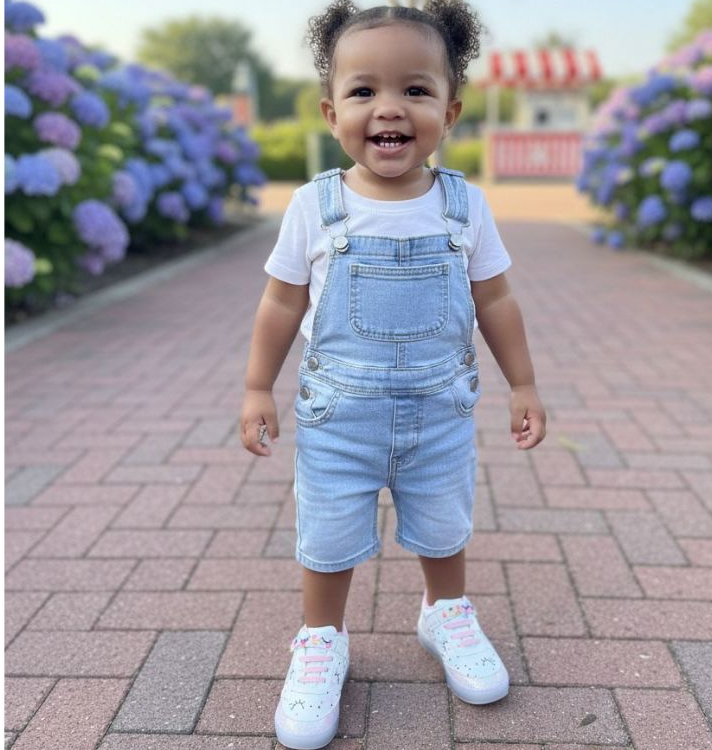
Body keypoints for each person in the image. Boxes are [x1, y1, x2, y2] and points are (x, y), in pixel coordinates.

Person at [239, 0, 546, 747]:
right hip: (337, 419)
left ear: (451, 110)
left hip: (439, 415)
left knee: (443, 524)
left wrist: (523, 384)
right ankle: (322, 638)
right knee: (328, 533)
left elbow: (495, 299)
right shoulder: (315, 207)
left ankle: (446, 613)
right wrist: (257, 386)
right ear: (330, 111)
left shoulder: (464, 206)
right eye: (363, 90)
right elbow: (281, 302)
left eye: (415, 89)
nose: (390, 108)